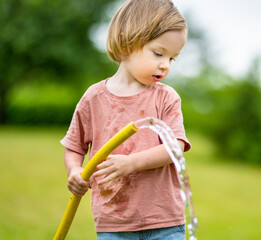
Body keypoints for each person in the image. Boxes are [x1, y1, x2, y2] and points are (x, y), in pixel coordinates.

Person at [60, 0, 190, 239]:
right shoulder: (93, 98)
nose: (165, 65)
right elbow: (73, 146)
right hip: (114, 223)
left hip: (165, 222)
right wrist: (75, 170)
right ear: (127, 42)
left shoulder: (166, 97)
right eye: (159, 53)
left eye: (173, 58)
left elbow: (175, 147)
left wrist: (131, 163)